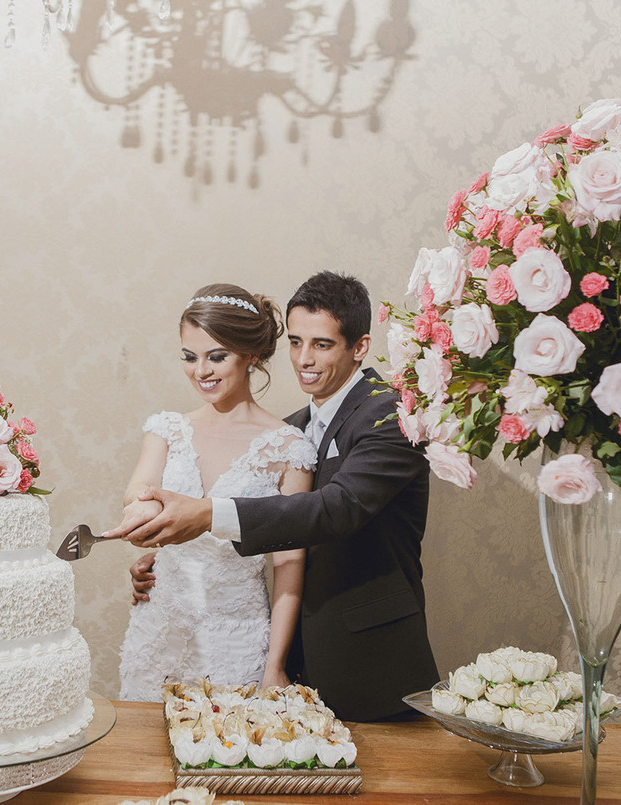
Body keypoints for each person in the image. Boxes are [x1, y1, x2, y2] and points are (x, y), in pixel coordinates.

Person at [109, 272, 439, 721]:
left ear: (359, 347)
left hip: (366, 650)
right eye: (296, 342)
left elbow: (335, 509)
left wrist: (204, 516)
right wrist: (161, 551)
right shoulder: (295, 427)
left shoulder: (392, 413)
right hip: (275, 642)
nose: (304, 359)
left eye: (321, 344)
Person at [116, 283, 317, 702]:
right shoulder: (167, 430)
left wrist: (275, 665)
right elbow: (138, 490)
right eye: (189, 357)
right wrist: (142, 521)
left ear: (252, 356)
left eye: (216, 356)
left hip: (235, 638)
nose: (200, 371)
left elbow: (288, 566)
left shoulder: (289, 448)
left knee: (227, 762)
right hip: (159, 632)